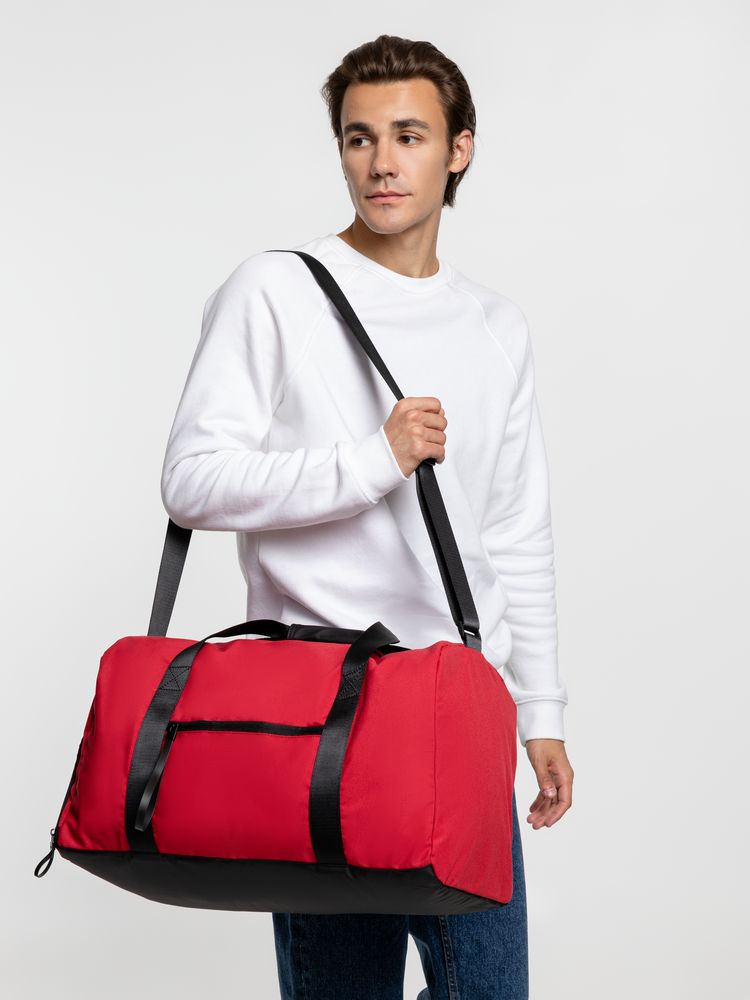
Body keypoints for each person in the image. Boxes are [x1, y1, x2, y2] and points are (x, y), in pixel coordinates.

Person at [160, 32, 574, 1000]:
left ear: (458, 150)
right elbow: (192, 481)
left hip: (456, 710)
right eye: (359, 138)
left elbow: (515, 531)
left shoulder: (495, 325)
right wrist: (372, 462)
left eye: (408, 135)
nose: (382, 162)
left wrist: (541, 710)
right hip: (318, 711)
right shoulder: (276, 290)